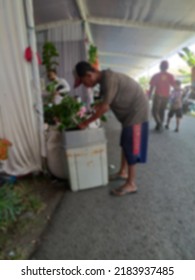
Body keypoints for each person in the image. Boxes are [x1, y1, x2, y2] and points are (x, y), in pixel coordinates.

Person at [73, 61, 149, 196]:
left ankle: (131, 184)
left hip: (137, 112)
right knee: (125, 143)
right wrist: (96, 108)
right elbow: (104, 102)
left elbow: (105, 107)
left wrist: (85, 123)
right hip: (129, 114)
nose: (85, 86)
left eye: (84, 82)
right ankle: (123, 172)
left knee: (131, 145)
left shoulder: (109, 79)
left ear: (89, 75)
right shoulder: (104, 80)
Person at [149, 60, 175, 131]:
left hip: (158, 96)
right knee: (162, 111)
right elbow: (174, 86)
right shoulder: (170, 76)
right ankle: (159, 124)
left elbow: (152, 87)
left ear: (160, 67)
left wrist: (149, 96)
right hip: (166, 96)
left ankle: (159, 123)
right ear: (167, 67)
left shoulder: (156, 75)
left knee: (154, 111)